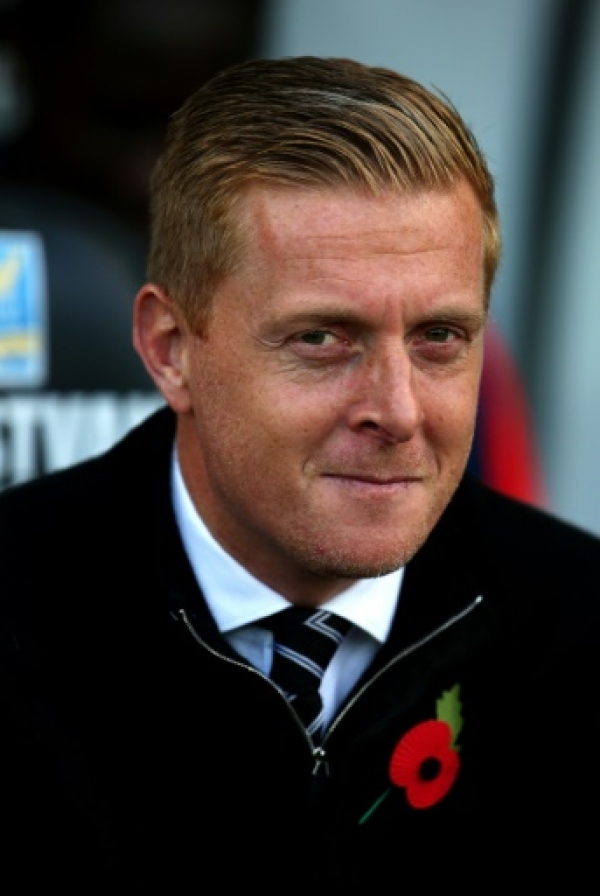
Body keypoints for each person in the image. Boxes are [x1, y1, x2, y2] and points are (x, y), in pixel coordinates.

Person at [1, 55, 599, 890]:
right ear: (171, 351)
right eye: (321, 339)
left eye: (439, 338)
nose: (398, 410)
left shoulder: (582, 632)